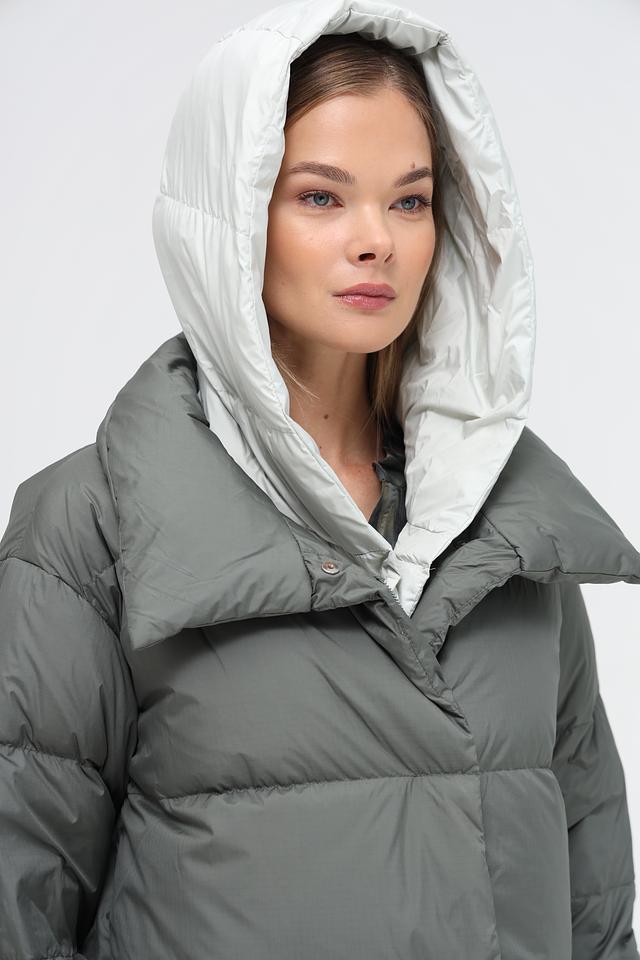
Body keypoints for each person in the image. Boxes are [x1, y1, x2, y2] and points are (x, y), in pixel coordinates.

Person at [1, 0, 639, 956]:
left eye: (410, 200)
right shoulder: (88, 529)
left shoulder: (506, 521)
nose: (377, 238)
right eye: (320, 197)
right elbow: (21, 905)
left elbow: (595, 902)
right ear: (231, 217)